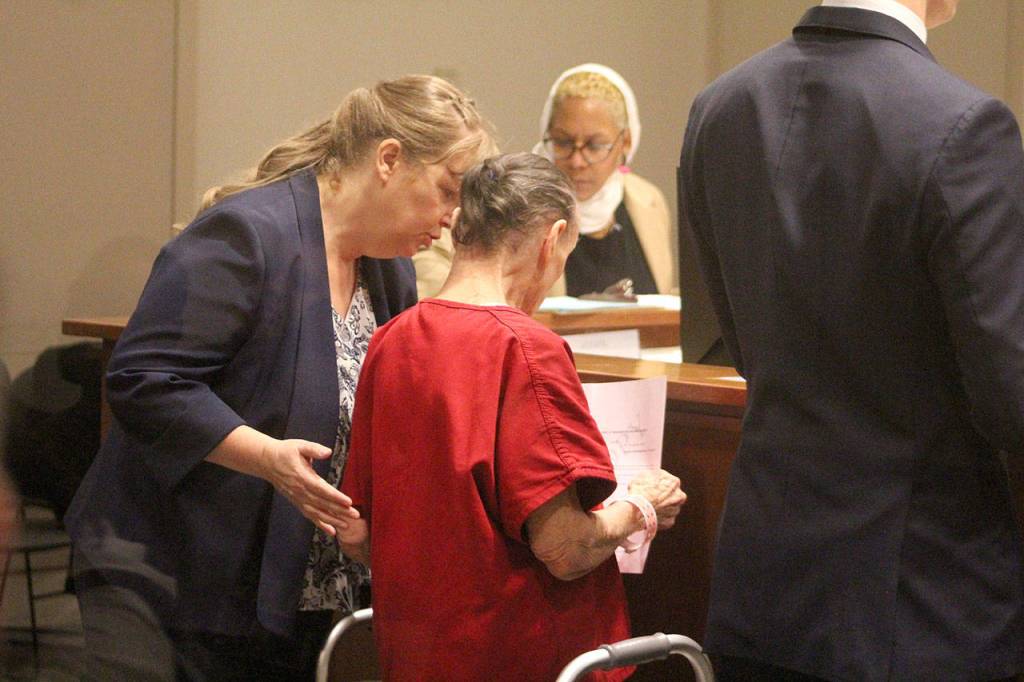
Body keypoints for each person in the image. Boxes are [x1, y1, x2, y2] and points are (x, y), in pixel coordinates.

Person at [64, 74, 494, 681]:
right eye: (447, 192)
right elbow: (144, 379)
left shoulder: (391, 272)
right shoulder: (248, 235)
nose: (452, 219)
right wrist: (265, 456)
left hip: (290, 590)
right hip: (167, 571)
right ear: (389, 160)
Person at [679, 1, 1024, 680]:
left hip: (760, 580)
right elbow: (1011, 397)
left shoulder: (719, 106)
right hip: (918, 598)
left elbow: (734, 344)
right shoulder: (964, 124)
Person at [337, 153, 687, 681]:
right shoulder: (526, 349)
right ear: (554, 238)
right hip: (520, 659)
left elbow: (359, 535)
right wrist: (642, 506)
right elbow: (565, 548)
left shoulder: (391, 341)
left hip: (414, 662)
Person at [413, 64, 675, 300]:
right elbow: (442, 285)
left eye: (595, 146)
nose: (577, 161)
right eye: (563, 142)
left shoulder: (648, 201)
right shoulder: (512, 201)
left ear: (625, 142)